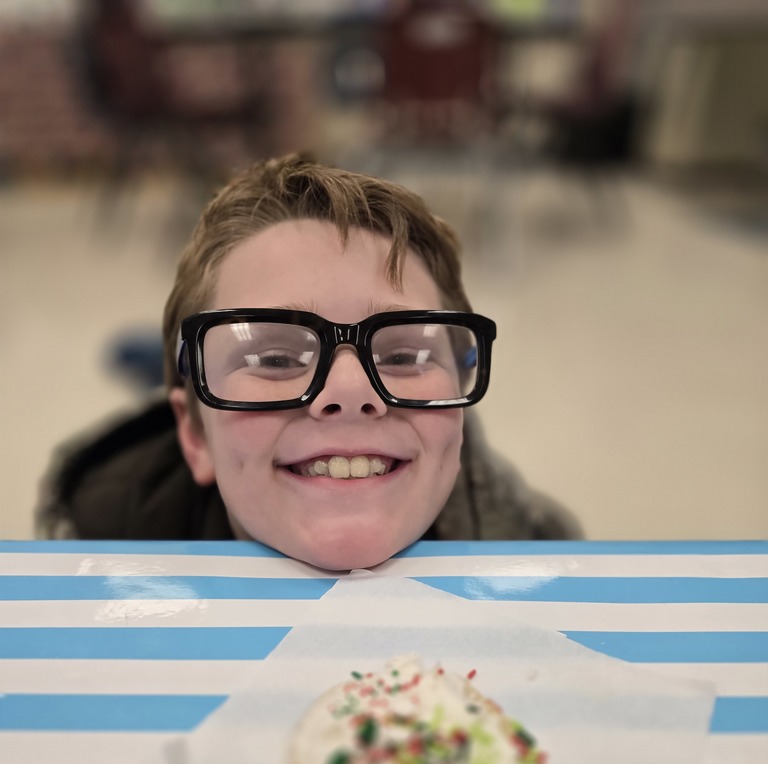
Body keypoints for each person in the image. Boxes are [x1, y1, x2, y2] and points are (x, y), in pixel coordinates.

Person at [37, 154, 580, 569]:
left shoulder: (530, 547)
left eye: (404, 354)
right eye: (275, 358)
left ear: (456, 425)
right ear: (194, 436)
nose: (349, 388)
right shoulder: (105, 546)